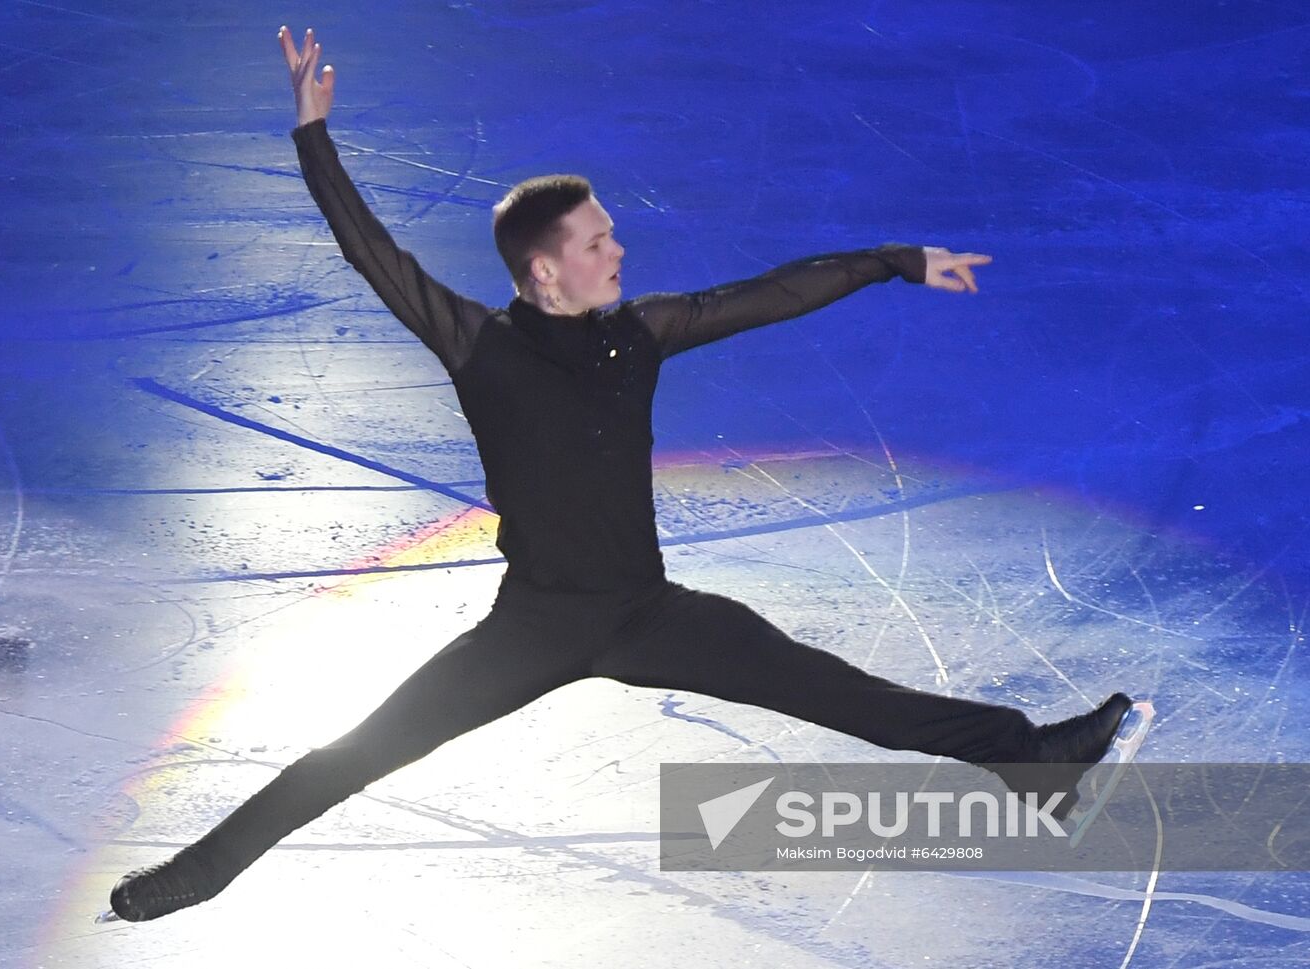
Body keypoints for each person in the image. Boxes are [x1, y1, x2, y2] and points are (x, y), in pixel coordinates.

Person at [107, 25, 1138, 922]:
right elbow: (370, 251)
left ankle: (1033, 765)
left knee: (838, 691)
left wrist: (894, 259)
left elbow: (766, 294)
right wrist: (310, 132)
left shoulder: (634, 336)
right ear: (542, 267)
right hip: (533, 625)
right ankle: (192, 877)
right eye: (598, 239)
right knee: (359, 750)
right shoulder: (477, 344)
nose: (619, 247)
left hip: (647, 613)